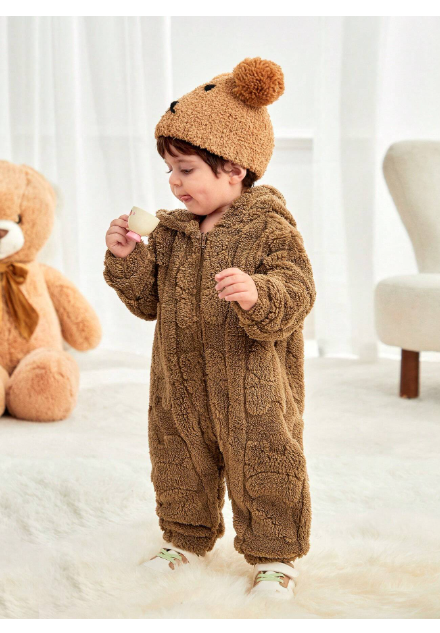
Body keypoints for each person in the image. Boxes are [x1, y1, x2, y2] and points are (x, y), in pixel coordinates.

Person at [103, 57, 316, 601]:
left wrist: (258, 293)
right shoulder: (172, 233)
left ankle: (275, 556)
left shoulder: (269, 227)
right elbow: (147, 304)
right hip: (179, 380)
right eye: (169, 171)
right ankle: (184, 539)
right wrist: (127, 258)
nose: (174, 183)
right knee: (178, 459)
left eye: (186, 169)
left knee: (265, 462)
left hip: (252, 386)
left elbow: (298, 290)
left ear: (234, 169)